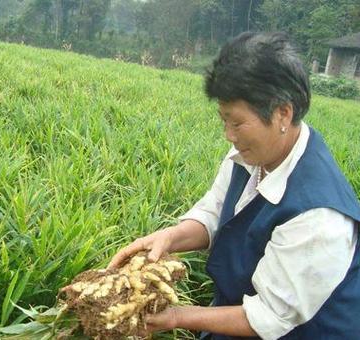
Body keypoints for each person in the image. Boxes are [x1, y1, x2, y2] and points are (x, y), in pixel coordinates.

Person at [108, 32, 360, 339]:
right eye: (223, 120)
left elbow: (269, 316)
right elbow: (216, 211)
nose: (229, 134)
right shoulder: (253, 152)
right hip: (238, 311)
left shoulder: (320, 216)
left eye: (237, 123)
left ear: (283, 113)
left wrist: (176, 316)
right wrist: (170, 237)